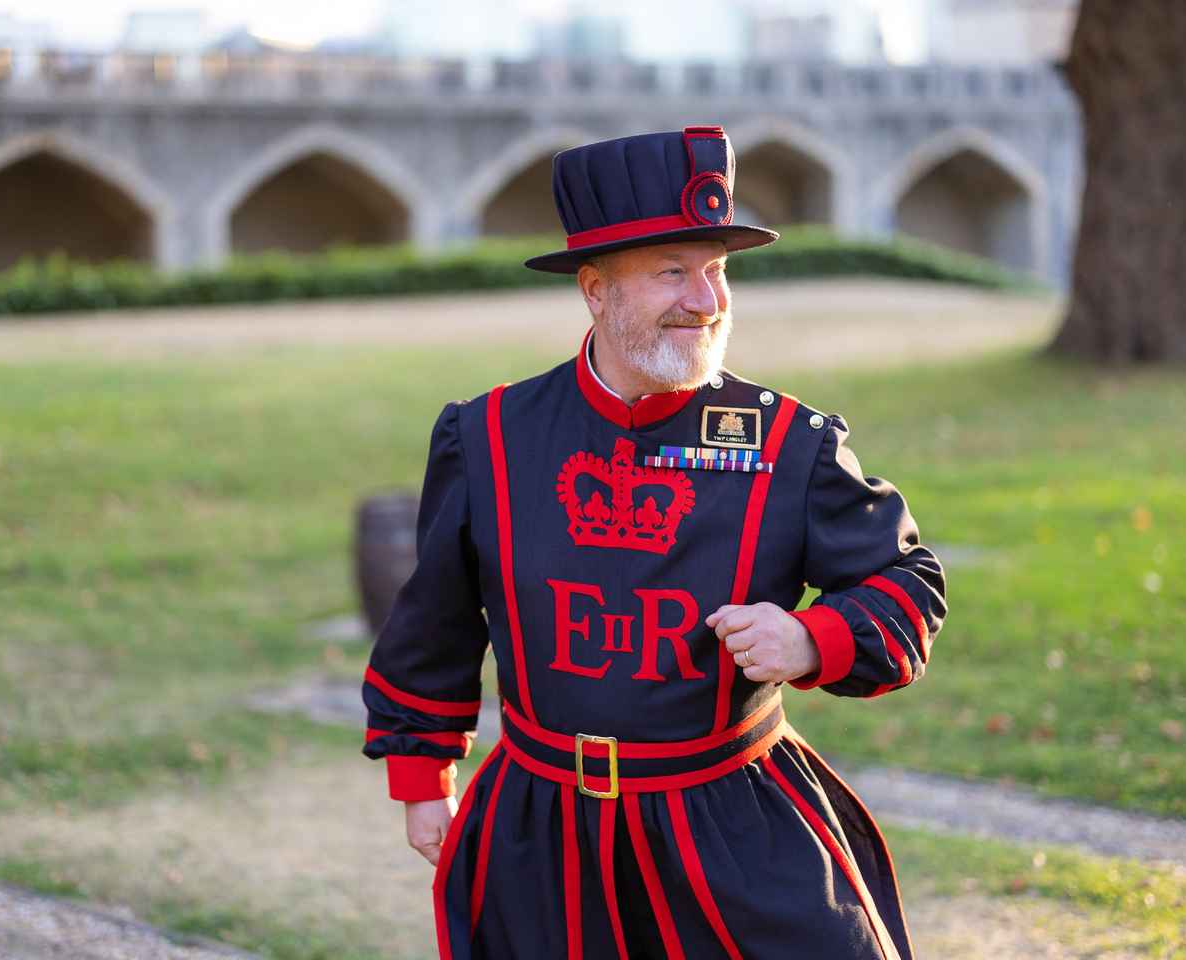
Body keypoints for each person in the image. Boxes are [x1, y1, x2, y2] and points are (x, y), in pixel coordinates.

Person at [361, 124, 947, 960]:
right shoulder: (487, 435)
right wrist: (422, 774)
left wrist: (811, 637)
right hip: (541, 825)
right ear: (596, 290)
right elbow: (438, 618)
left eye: (716, 270)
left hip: (731, 822)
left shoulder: (789, 443)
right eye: (674, 270)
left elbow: (908, 581)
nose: (706, 300)